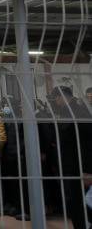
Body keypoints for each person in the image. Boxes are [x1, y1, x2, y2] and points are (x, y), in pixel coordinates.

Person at [53, 86, 92, 229]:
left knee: (79, 203)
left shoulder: (78, 113)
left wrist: (88, 169)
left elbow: (87, 144)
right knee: (76, 204)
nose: (55, 102)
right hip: (71, 166)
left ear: (62, 97)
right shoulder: (67, 112)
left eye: (56, 98)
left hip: (79, 167)